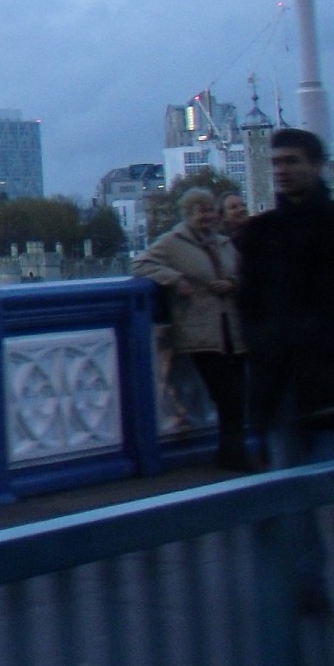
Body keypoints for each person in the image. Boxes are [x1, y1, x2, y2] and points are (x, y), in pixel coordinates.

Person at [238, 127, 334, 610]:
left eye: (292, 161)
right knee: (293, 495)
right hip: (283, 384)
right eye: (276, 163)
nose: (282, 170)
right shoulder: (261, 234)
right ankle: (308, 584)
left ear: (317, 165)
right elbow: (249, 307)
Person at [133, 186, 250, 469]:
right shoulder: (172, 242)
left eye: (210, 210)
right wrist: (173, 279)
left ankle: (230, 452)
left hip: (231, 329)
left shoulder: (223, 243)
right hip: (200, 331)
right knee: (227, 394)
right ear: (188, 214)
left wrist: (232, 284)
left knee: (237, 394)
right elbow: (140, 264)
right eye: (201, 211)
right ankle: (235, 455)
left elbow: (243, 273)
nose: (207, 216)